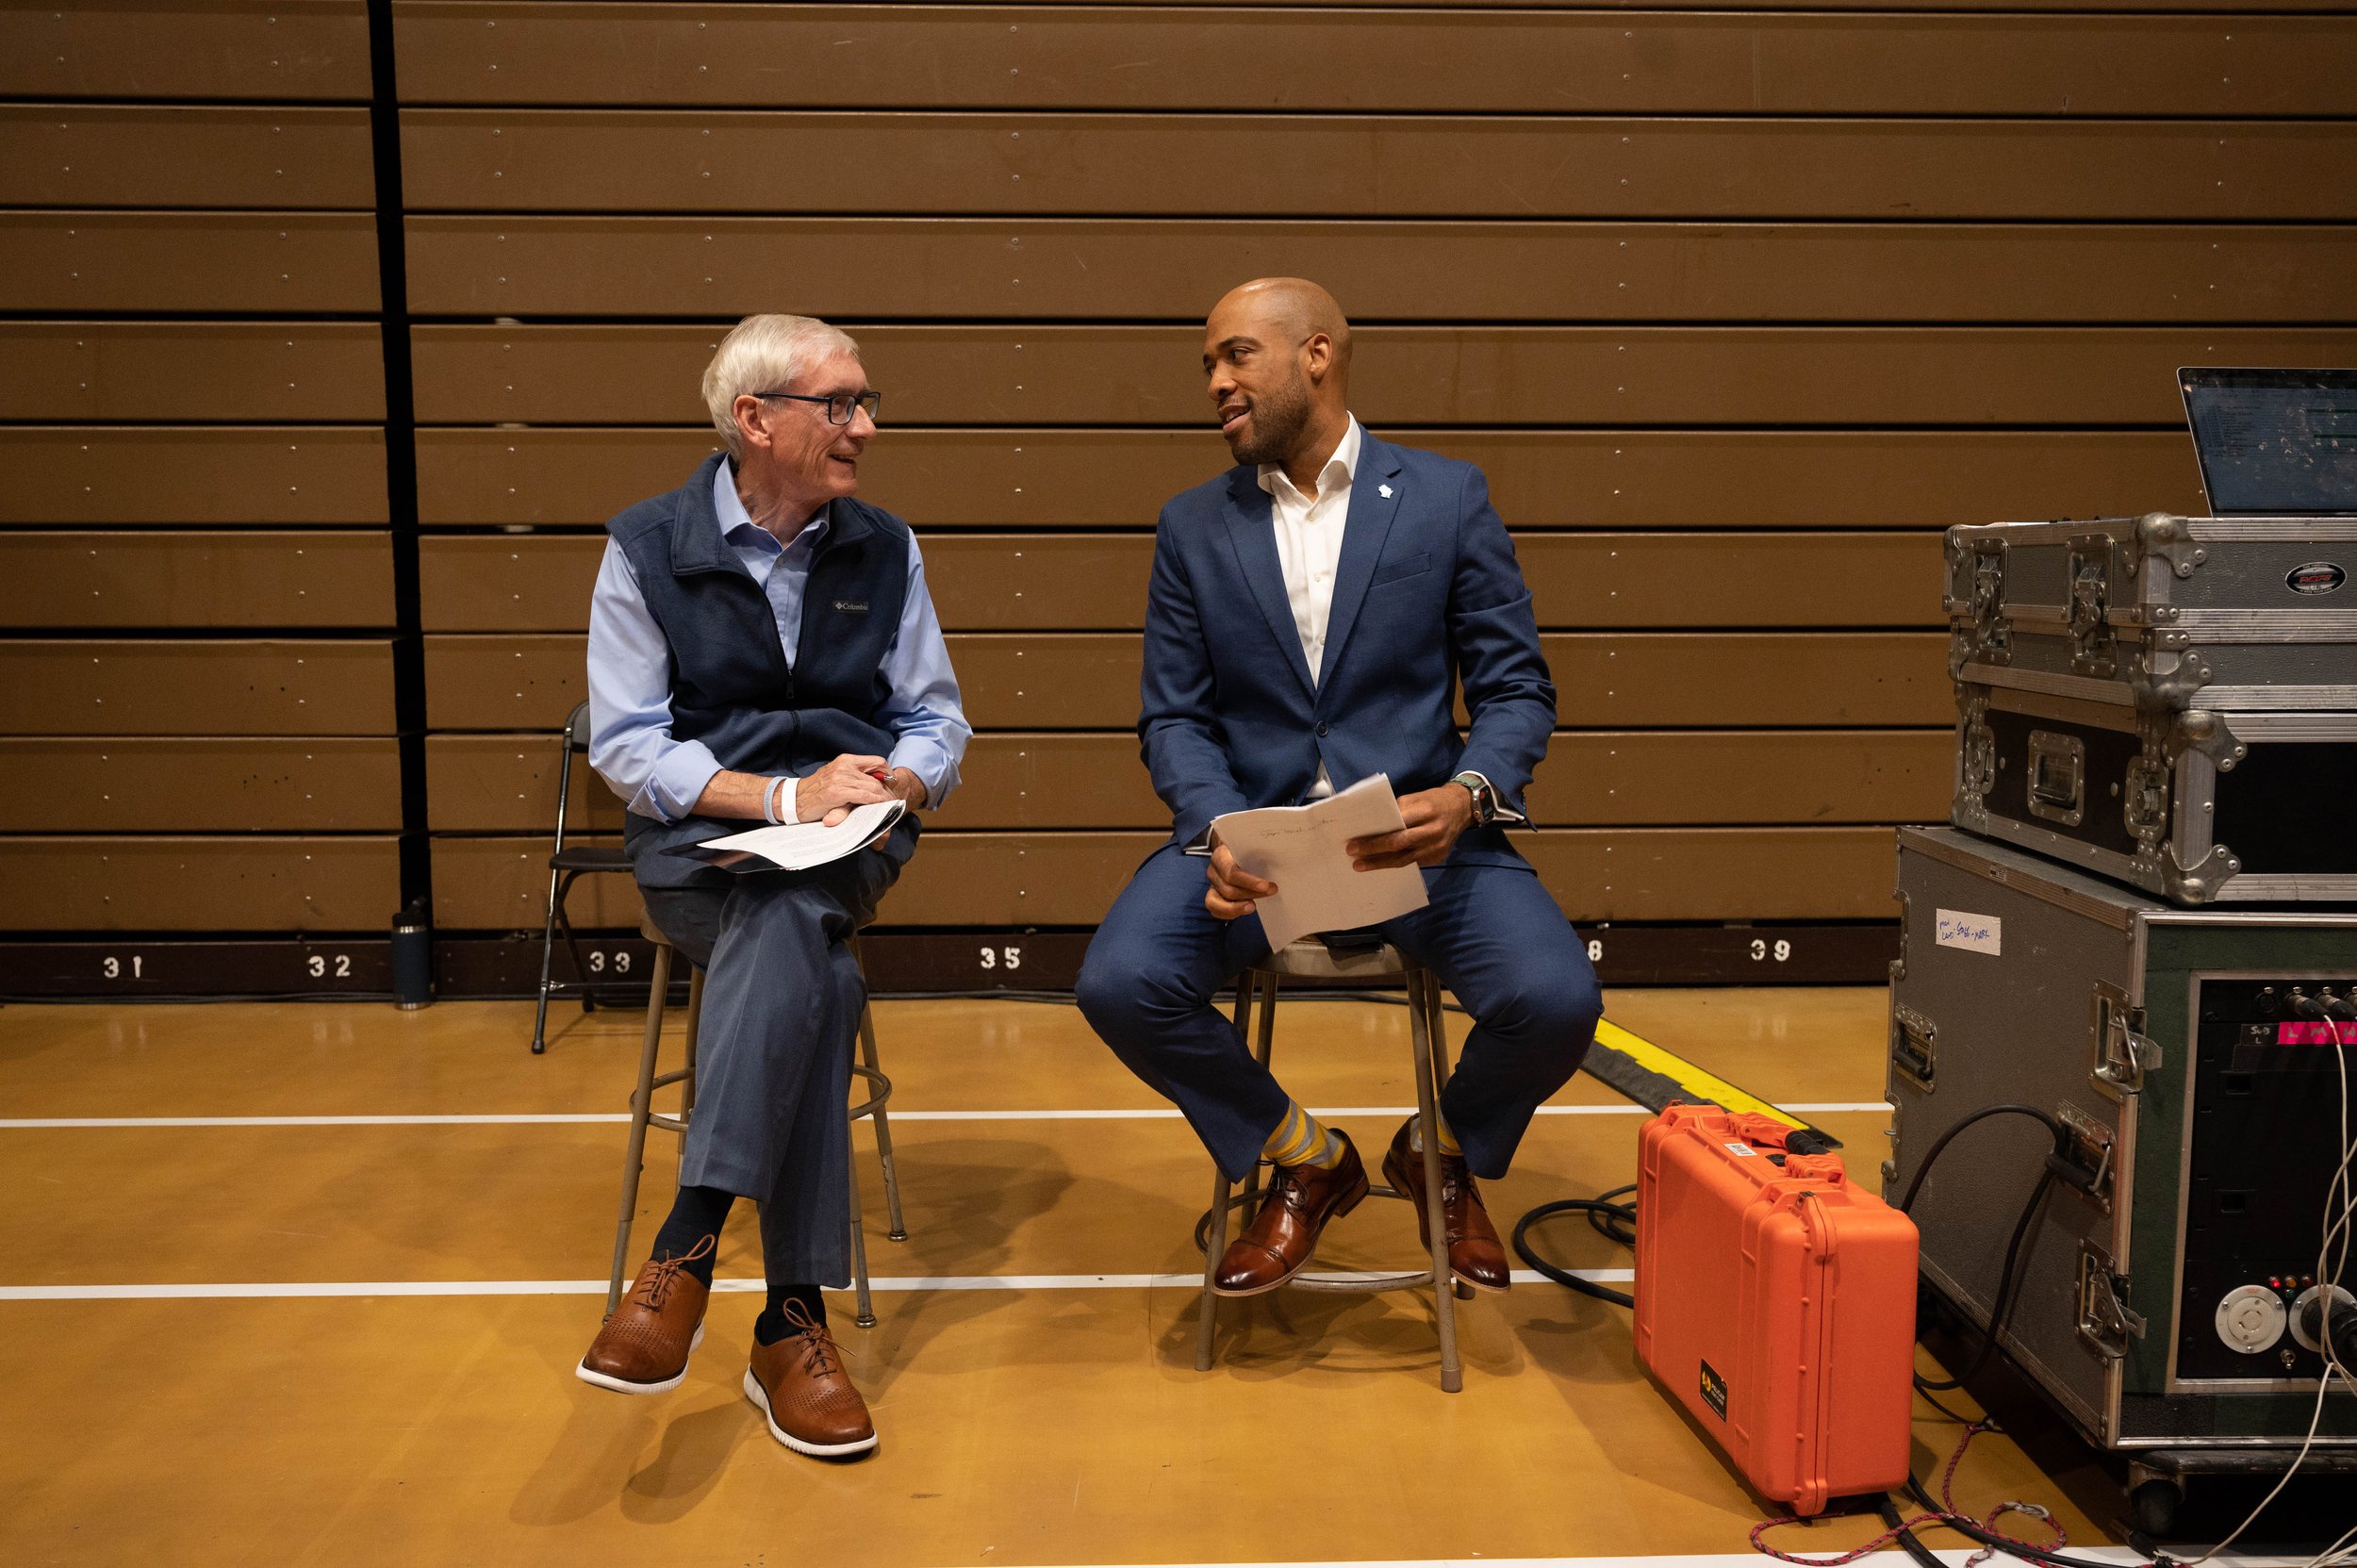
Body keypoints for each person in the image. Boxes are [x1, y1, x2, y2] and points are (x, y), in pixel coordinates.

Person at [1075, 278, 1602, 1298]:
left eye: (1236, 357)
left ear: (1315, 354)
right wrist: (1216, 830)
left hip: (1421, 841)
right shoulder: (1192, 526)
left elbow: (1515, 686)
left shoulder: (1447, 498)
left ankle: (1438, 1149)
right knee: (1120, 982)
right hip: (1257, 852)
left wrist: (1470, 794)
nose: (1217, 385)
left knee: (1554, 998)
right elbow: (1173, 717)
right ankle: (1303, 1156)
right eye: (1209, 369)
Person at [575, 313, 969, 1460]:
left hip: (854, 839)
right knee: (813, 963)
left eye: (863, 402)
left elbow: (938, 712)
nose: (866, 426)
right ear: (756, 419)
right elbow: (631, 748)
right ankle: (788, 1323)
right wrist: (780, 800)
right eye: (839, 404)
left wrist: (905, 774)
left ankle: (685, 1248)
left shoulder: (885, 545)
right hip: (702, 847)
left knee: (800, 906)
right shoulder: (645, 547)